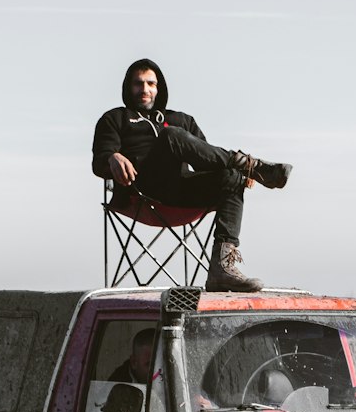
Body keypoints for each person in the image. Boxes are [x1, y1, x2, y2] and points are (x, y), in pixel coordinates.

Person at [92, 58, 291, 292]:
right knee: (171, 136)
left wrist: (233, 174)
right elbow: (99, 161)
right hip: (143, 189)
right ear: (128, 87)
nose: (145, 89)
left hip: (182, 191)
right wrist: (112, 157)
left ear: (159, 88)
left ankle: (222, 269)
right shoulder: (115, 119)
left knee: (231, 177)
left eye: (151, 84)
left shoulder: (182, 119)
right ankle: (251, 166)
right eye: (138, 84)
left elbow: (206, 161)